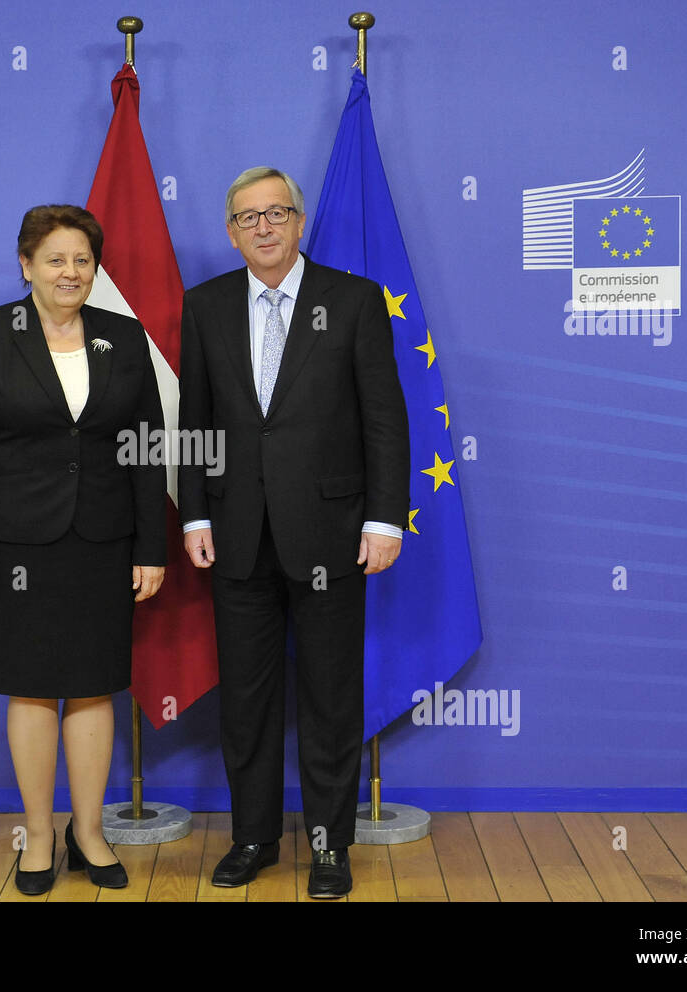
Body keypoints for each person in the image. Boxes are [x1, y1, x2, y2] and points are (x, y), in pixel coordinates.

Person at [178, 167, 410, 897]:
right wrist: (194, 511)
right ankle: (252, 837)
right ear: (231, 232)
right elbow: (195, 422)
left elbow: (384, 417)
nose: (265, 227)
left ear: (300, 222)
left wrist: (383, 517)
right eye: (249, 218)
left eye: (278, 212)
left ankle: (329, 846)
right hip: (237, 534)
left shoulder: (352, 301)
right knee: (246, 700)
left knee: (330, 698)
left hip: (334, 534)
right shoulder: (205, 305)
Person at [0, 204, 166, 895]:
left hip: (103, 541)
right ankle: (39, 835)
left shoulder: (124, 337)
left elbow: (149, 446)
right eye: (56, 259)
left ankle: (88, 832)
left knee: (93, 687)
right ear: (26, 264)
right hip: (14, 548)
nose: (71, 272)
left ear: (96, 269)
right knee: (33, 688)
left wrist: (151, 546)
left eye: (82, 260)